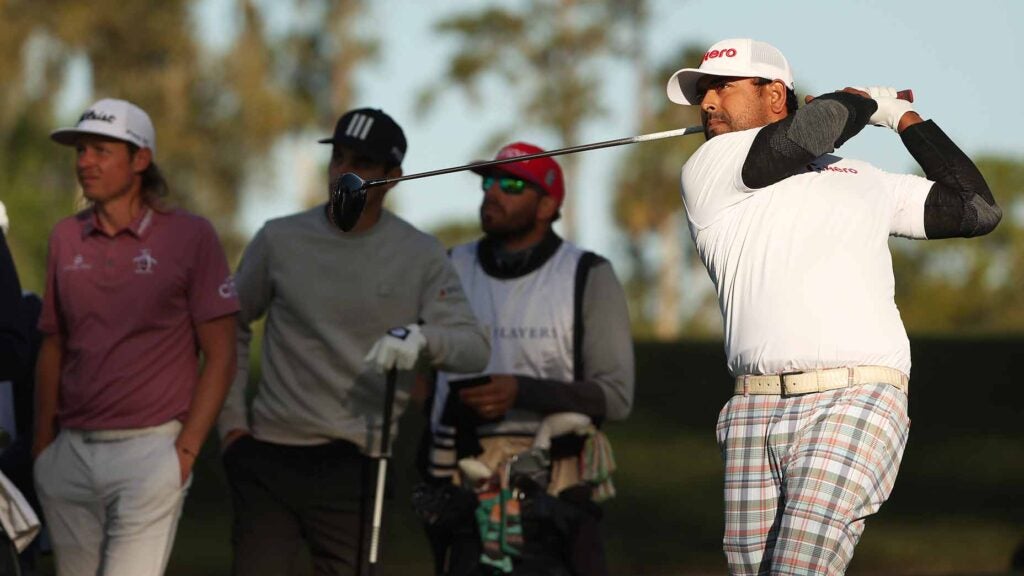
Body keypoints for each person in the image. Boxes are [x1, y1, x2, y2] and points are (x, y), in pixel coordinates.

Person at [665, 39, 1001, 575]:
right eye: (703, 92)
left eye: (722, 87)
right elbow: (797, 140)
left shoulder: (862, 177)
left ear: (775, 93)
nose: (707, 103)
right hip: (752, 407)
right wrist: (862, 101)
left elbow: (975, 209)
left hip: (858, 396)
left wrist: (904, 118)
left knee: (800, 564)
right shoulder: (712, 166)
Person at [217, 107, 490, 576]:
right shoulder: (279, 239)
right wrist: (232, 426)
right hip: (267, 454)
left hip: (359, 462)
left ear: (394, 176)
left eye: (362, 164)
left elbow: (473, 346)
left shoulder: (419, 254)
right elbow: (229, 325)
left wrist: (422, 338)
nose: (344, 171)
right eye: (338, 158)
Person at [33, 98, 239, 576]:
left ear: (140, 159)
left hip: (151, 452)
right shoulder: (65, 237)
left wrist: (185, 452)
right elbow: (54, 344)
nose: (85, 162)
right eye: (81, 150)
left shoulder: (191, 237)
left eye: (101, 150)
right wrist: (44, 447)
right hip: (71, 453)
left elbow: (222, 352)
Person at [419, 143, 634, 576]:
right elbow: (425, 374)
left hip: (556, 495)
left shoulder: (587, 274)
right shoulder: (450, 266)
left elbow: (616, 396)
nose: (493, 193)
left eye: (512, 184)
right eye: (489, 181)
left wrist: (522, 391)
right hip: (460, 493)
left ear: (547, 205)